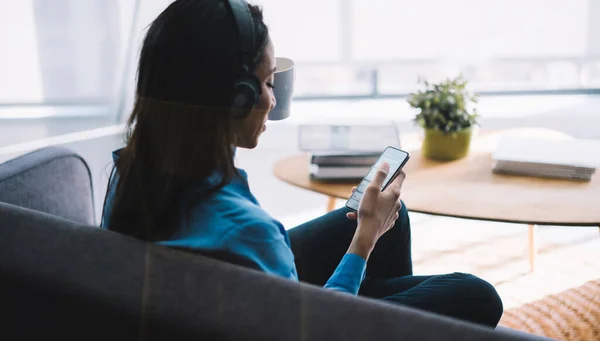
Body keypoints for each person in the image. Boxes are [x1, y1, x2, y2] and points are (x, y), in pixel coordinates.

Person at [101, 0, 503, 328]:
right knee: (474, 294)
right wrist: (364, 240)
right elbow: (319, 329)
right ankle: (376, 315)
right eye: (268, 83)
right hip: (309, 324)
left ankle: (376, 306)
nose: (273, 101)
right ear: (237, 98)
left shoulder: (129, 175)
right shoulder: (250, 233)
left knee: (393, 226)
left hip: (221, 298)